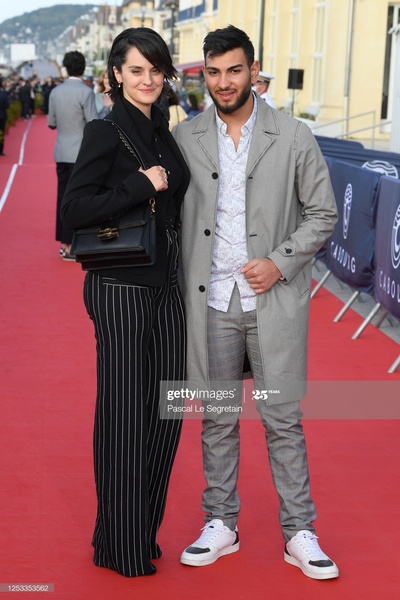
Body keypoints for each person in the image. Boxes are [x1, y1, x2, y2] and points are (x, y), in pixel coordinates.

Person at [172, 25, 339, 580]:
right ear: (205, 74)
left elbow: (323, 213)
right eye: (214, 72)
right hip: (213, 302)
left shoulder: (293, 135)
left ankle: (299, 532)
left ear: (253, 71)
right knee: (218, 417)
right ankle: (221, 522)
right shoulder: (186, 137)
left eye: (234, 70)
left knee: (281, 418)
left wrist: (280, 260)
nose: (224, 82)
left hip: (272, 302)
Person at [61, 27, 190, 578]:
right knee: (123, 419)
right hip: (120, 290)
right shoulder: (105, 130)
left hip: (169, 288)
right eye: (137, 70)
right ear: (116, 73)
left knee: (167, 414)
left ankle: (139, 529)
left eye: (156, 70)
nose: (148, 80)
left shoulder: (163, 127)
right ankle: (120, 545)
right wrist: (140, 184)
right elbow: (72, 212)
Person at [48, 51, 97, 260]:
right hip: (80, 154)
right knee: (79, 199)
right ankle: (73, 244)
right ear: (83, 68)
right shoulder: (86, 92)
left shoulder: (55, 92)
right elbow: (93, 124)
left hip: (61, 151)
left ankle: (64, 243)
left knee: (62, 197)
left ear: (65, 67)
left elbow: (51, 123)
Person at [0, 77, 10, 156]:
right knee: (1, 133)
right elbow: (7, 105)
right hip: (2, 116)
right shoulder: (4, 94)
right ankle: (0, 150)